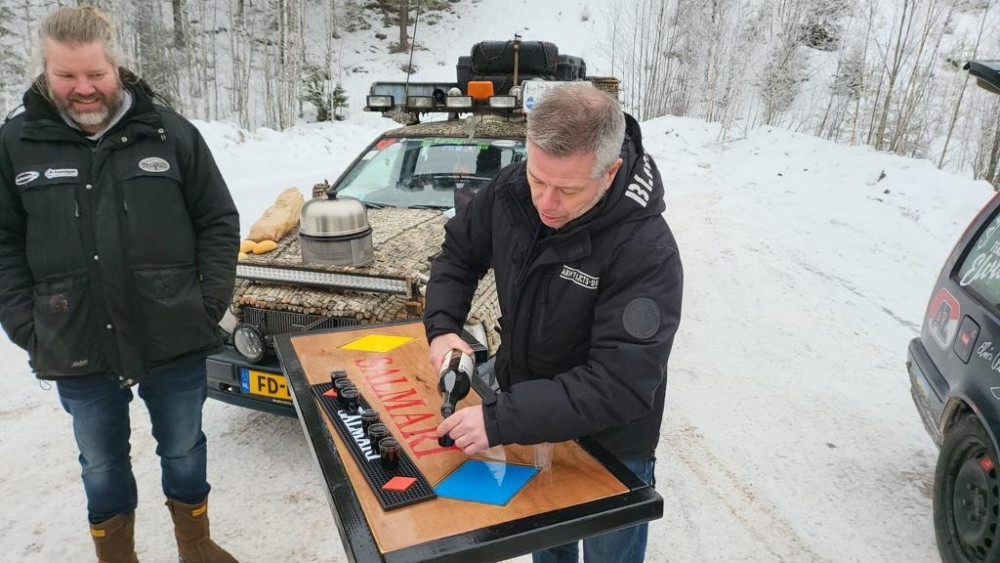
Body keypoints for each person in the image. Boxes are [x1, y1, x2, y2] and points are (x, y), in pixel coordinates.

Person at [0, 7, 239, 562]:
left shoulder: (169, 133)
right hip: (72, 336)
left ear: (118, 68)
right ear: (45, 72)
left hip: (174, 330)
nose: (83, 89)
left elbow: (218, 222)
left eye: (95, 74)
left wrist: (207, 307)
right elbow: (4, 242)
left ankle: (196, 546)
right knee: (101, 462)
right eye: (66, 76)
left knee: (183, 448)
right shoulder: (17, 143)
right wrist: (25, 324)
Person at [424, 83, 682, 562]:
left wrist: (500, 418)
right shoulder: (511, 190)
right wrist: (443, 328)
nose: (545, 202)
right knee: (549, 549)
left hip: (612, 443)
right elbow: (459, 253)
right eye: (538, 179)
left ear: (611, 172)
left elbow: (621, 383)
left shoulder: (645, 250)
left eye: (567, 189)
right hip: (532, 420)